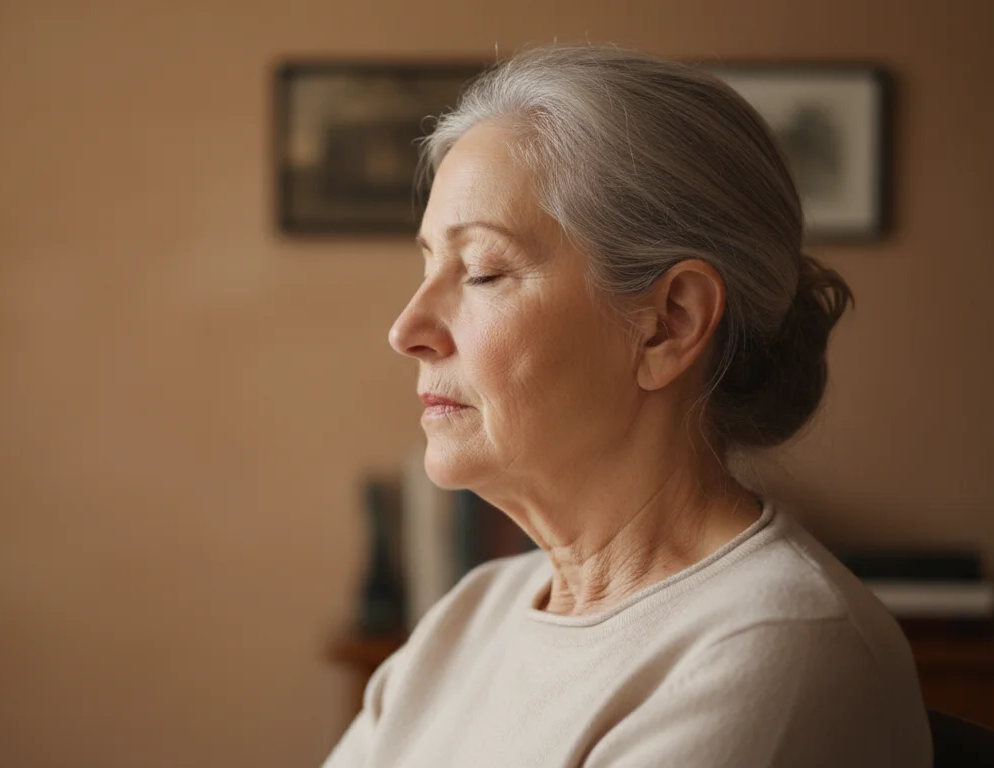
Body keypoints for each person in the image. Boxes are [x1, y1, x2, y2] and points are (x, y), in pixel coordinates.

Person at [323, 45, 931, 767]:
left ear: (669, 323)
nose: (407, 331)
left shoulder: (776, 646)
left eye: (483, 271)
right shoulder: (474, 613)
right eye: (427, 266)